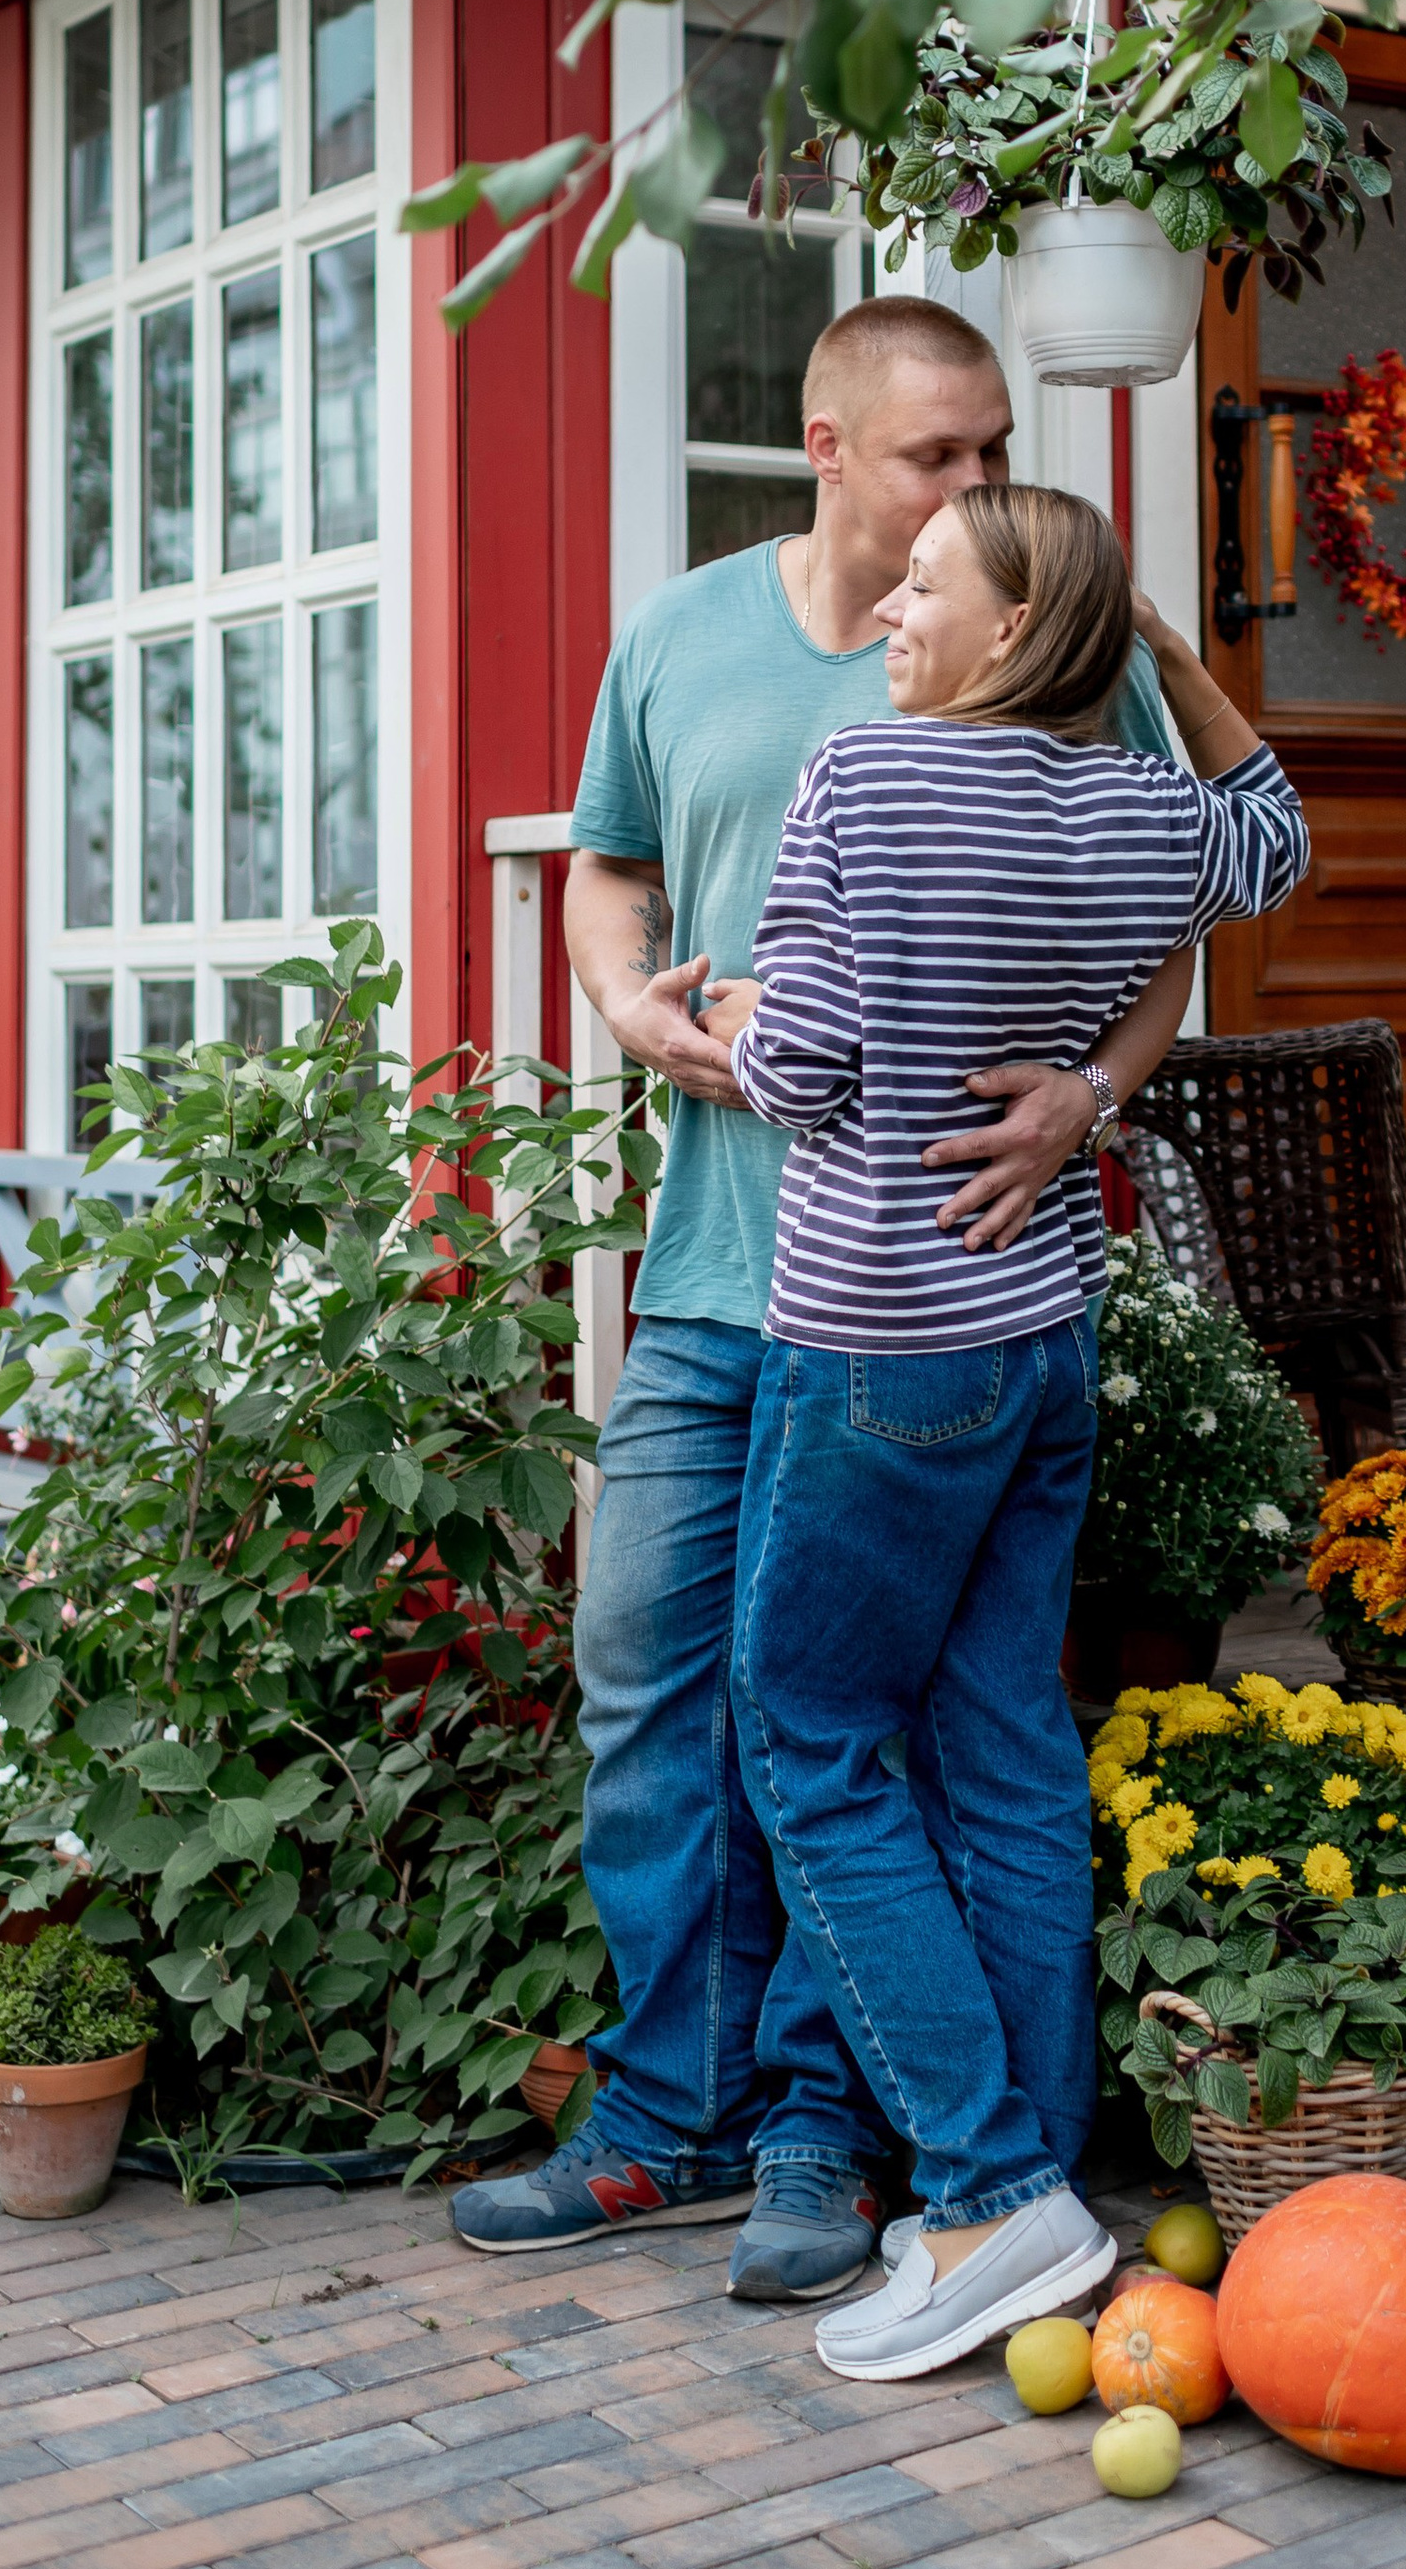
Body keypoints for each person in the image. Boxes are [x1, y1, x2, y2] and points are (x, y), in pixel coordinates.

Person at [451, 297, 1199, 2292]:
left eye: (990, 448)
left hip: (937, 1287)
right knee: (648, 1674)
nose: (977, 482)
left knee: (868, 1725)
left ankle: (817, 2139)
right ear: (828, 445)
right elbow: (606, 869)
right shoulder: (684, 636)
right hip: (716, 1268)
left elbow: (1168, 925)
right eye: (938, 454)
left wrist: (1088, 1095)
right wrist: (625, 1001)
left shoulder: (1041, 644)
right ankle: (665, 2114)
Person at [700, 480, 1307, 2376]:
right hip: (1041, 1333)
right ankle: (1038, 2182)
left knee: (806, 1740)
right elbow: (1276, 839)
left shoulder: (868, 782)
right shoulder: (1145, 811)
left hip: (879, 1341)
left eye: (930, 583)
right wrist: (1172, 659)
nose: (891, 600)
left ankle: (980, 2194)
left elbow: (797, 1064)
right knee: (1008, 1746)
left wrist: (703, 1007)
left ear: (1012, 630)